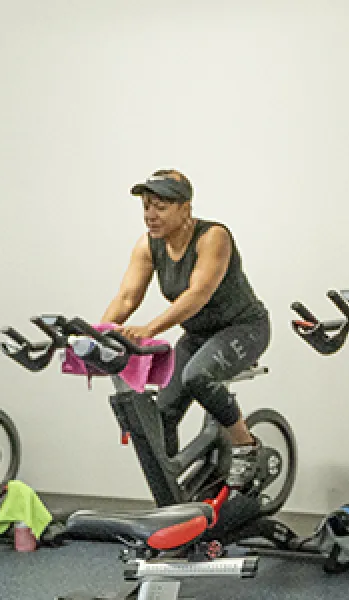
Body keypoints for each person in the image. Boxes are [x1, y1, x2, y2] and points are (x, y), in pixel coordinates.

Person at [99, 169, 270, 490]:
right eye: (146, 207)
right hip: (198, 336)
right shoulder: (149, 245)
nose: (150, 216)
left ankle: (246, 447)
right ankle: (173, 493)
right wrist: (99, 334)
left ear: (185, 208)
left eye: (160, 207)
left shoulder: (213, 237)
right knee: (160, 414)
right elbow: (126, 297)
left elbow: (197, 295)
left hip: (244, 328)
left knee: (198, 377)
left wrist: (149, 329)